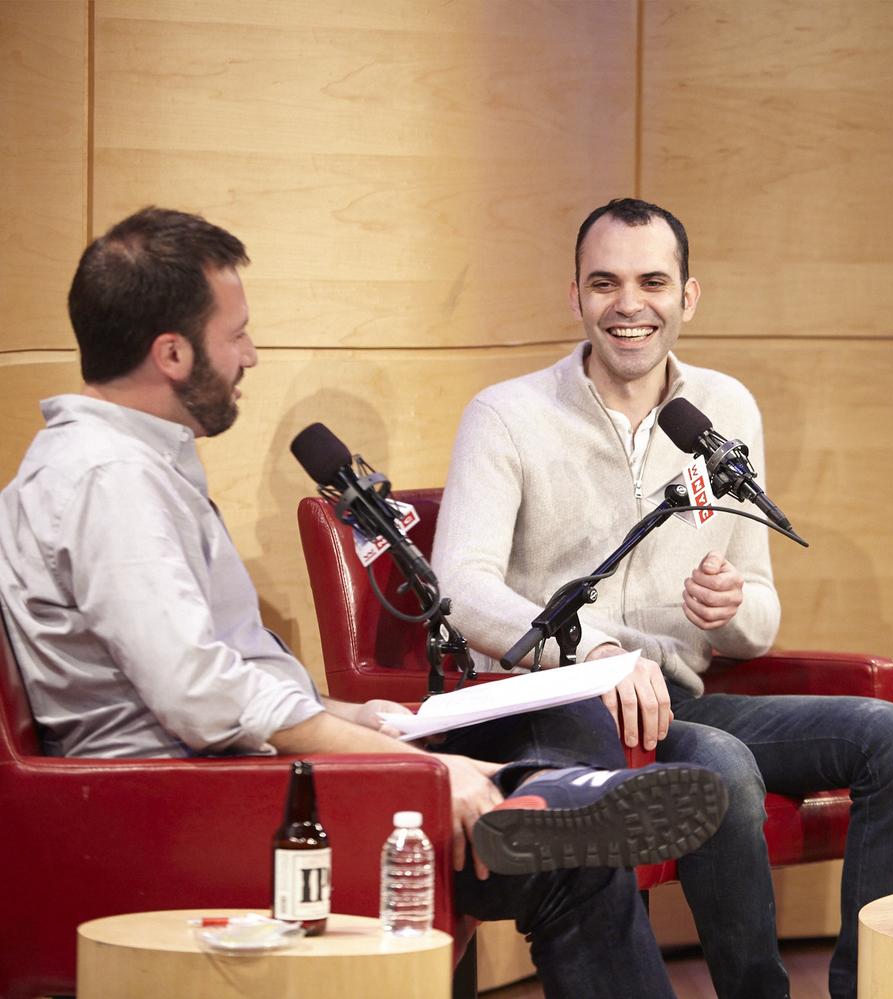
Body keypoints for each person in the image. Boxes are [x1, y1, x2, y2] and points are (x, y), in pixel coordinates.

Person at [0, 206, 731, 999]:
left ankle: (540, 788)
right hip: (177, 811)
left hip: (223, 773)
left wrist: (348, 714)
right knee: (568, 859)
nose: (250, 354)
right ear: (172, 353)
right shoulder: (110, 481)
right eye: (235, 334)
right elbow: (201, 696)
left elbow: (210, 673)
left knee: (530, 747)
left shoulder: (128, 463)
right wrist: (414, 769)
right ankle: (537, 794)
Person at [431, 197, 893, 999]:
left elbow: (760, 621)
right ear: (575, 297)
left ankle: (875, 990)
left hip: (682, 697)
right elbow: (460, 585)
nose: (630, 305)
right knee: (724, 765)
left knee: (892, 738)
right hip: (565, 708)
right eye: (606, 283)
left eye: (653, 282)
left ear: (688, 296)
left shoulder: (723, 410)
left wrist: (726, 604)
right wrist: (588, 649)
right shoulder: (507, 415)